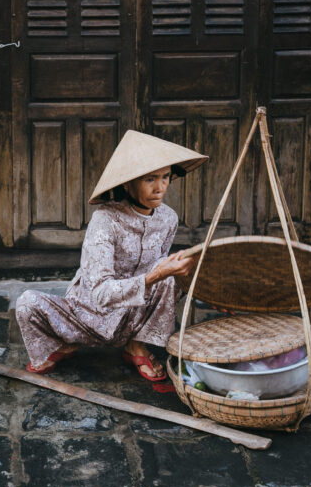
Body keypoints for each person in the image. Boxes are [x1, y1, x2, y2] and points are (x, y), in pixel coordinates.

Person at [15, 130, 208, 383]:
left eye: (165, 178)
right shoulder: (106, 219)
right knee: (27, 303)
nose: (160, 188)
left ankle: (136, 345)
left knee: (172, 268)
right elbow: (100, 293)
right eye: (150, 179)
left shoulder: (168, 218)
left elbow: (160, 273)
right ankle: (66, 341)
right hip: (88, 313)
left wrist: (194, 284)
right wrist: (156, 275)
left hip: (135, 312)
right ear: (127, 183)